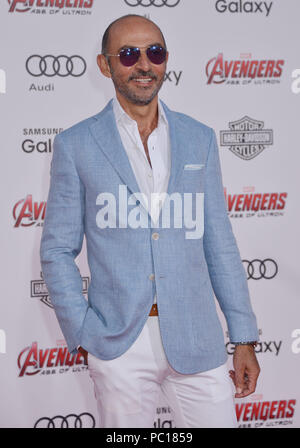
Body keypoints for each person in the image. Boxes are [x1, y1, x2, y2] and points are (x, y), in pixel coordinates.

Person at [40, 14, 260, 428]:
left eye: (154, 53)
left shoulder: (200, 138)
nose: (144, 64)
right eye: (128, 54)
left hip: (198, 337)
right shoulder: (75, 144)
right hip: (118, 341)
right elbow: (56, 250)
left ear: (165, 61)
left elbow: (220, 243)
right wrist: (85, 331)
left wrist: (244, 336)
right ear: (105, 65)